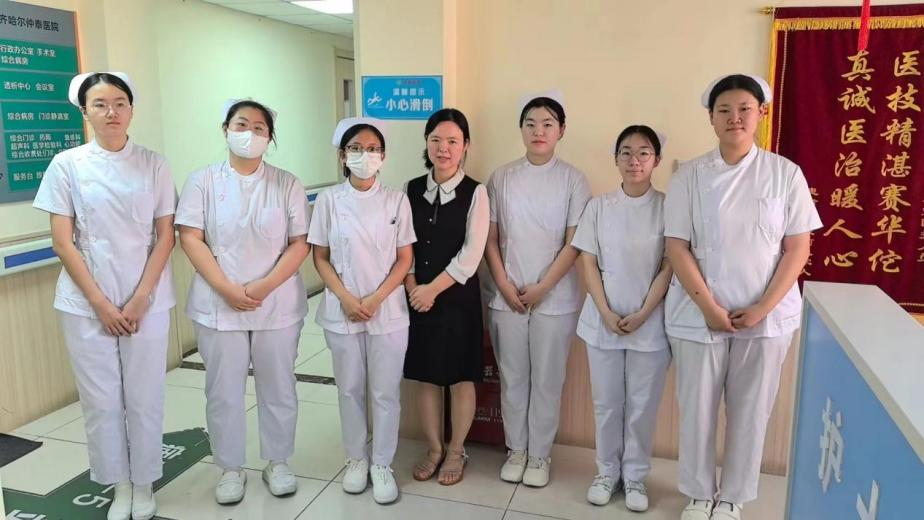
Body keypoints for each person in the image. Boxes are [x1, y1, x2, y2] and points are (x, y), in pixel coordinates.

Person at [664, 74, 821, 520]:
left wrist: (761, 308)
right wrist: (710, 307)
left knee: (751, 410)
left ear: (761, 114)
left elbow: (798, 248)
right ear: (711, 118)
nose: (734, 118)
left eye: (744, 109)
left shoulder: (784, 173)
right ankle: (699, 493)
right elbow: (677, 246)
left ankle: (733, 496)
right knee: (697, 408)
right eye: (724, 110)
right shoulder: (689, 176)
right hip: (699, 314)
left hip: (766, 317)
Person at [33, 71, 175, 520]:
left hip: (146, 299)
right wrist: (100, 304)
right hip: (85, 302)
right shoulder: (67, 165)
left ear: (131, 109)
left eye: (119, 103)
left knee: (145, 395)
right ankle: (119, 485)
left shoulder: (154, 164)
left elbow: (166, 236)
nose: (111, 112)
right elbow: (62, 242)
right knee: (101, 399)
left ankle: (144, 482)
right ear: (85, 111)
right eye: (100, 104)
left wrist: (139, 298)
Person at [176, 99, 310, 505]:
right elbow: (190, 237)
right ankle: (230, 468)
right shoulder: (202, 181)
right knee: (223, 390)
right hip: (218, 304)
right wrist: (227, 288)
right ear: (225, 129)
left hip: (277, 302)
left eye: (259, 127)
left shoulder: (287, 183)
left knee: (279, 386)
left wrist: (264, 286)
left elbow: (299, 243)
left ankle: (278, 461)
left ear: (270, 137)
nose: (249, 134)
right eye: (241, 124)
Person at [484, 91, 591, 487]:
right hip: (507, 295)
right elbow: (489, 239)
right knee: (512, 377)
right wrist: (504, 284)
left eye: (547, 124)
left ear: (561, 130)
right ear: (521, 130)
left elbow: (574, 243)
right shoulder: (501, 177)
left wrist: (544, 287)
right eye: (530, 124)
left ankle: (540, 455)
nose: (538, 131)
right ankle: (516, 450)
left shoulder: (573, 179)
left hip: (555, 297)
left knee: (547, 380)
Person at [308, 117, 415, 504]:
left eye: (372, 149)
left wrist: (374, 299)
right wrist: (347, 298)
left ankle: (382, 464)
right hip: (343, 310)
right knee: (349, 389)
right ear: (342, 156)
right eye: (356, 149)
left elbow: (405, 259)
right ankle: (356, 459)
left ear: (383, 157)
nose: (364, 155)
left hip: (387, 310)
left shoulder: (396, 200)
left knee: (385, 392)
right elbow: (320, 256)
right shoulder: (328, 200)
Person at [573, 125, 672, 512]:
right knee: (607, 403)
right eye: (626, 152)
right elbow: (588, 261)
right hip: (603, 321)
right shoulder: (599, 207)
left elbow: (669, 264)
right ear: (615, 159)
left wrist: (645, 311)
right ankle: (606, 472)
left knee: (643, 405)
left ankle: (634, 477)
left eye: (644, 152)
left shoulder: (668, 207)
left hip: (651, 322)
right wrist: (605, 311)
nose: (634, 160)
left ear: (656, 160)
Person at [403, 108, 489, 486]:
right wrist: (412, 288)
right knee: (427, 376)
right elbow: (402, 245)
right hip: (418, 297)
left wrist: (430, 290)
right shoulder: (410, 189)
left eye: (453, 141)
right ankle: (434, 448)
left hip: (457, 298)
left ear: (465, 146)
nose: (444, 148)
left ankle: (456, 450)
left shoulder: (476, 192)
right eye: (436, 139)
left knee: (460, 377)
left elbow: (471, 254)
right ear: (426, 143)